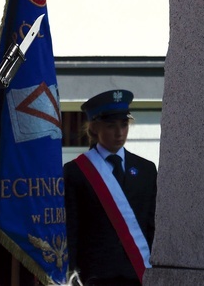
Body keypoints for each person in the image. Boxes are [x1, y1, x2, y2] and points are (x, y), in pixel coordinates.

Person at [63, 90, 157, 286]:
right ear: (95, 127)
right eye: (110, 125)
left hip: (138, 272)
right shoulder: (76, 172)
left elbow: (152, 225)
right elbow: (71, 228)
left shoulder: (146, 169)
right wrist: (71, 272)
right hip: (95, 275)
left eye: (124, 125)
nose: (119, 133)